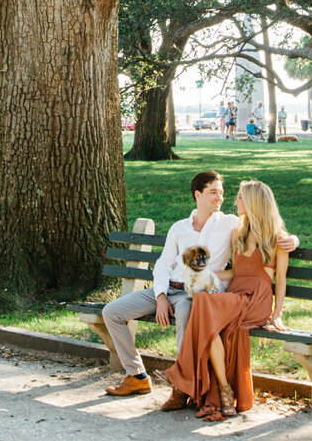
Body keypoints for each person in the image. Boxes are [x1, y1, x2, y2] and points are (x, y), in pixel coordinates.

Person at [101, 171, 297, 407]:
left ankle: (181, 389)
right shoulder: (181, 228)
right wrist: (160, 296)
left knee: (188, 312)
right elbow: (163, 265)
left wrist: (293, 240)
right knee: (111, 312)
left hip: (197, 295)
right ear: (198, 195)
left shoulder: (230, 224)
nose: (222, 198)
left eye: (223, 193)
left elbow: (269, 232)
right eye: (214, 192)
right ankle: (137, 376)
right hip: (169, 289)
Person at [164, 179, 291, 420]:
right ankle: (223, 387)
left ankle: (183, 378)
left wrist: (277, 314)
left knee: (202, 306)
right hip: (235, 294)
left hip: (255, 298)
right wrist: (202, 275)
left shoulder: (277, 237)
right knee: (203, 305)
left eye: (241, 198)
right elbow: (234, 273)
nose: (235, 202)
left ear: (254, 202)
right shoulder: (240, 232)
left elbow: (280, 279)